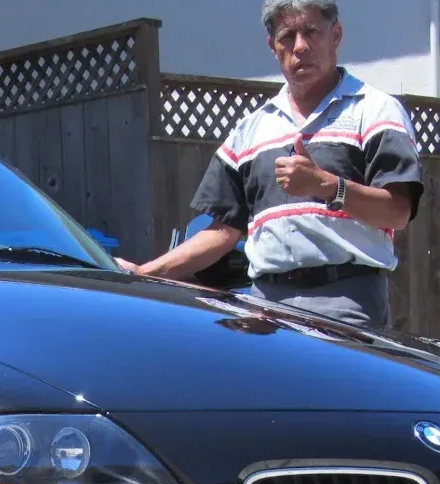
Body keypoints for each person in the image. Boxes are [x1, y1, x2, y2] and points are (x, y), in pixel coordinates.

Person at [117, 1, 424, 329]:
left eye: (311, 32)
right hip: (264, 304)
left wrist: (327, 186)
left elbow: (397, 212)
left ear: (336, 34)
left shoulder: (375, 111)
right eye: (287, 36)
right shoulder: (250, 130)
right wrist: (145, 273)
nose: (300, 47)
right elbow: (223, 231)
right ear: (272, 47)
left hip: (346, 300)